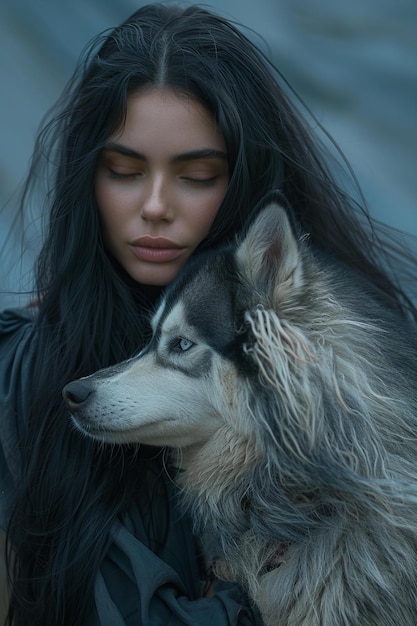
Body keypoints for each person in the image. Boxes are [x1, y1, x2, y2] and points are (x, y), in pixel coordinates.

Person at [1, 3, 416, 625]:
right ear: (88, 181)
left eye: (196, 175)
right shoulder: (28, 371)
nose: (156, 207)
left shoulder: (340, 353)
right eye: (124, 171)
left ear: (242, 179)